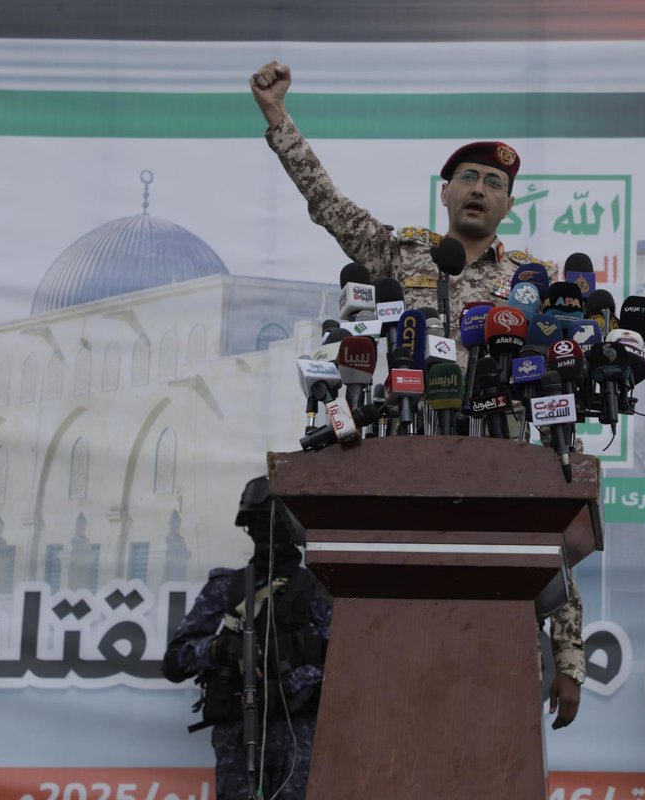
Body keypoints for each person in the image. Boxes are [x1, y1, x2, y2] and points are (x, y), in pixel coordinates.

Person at [248, 60, 586, 727]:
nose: (480, 190)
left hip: (502, 455)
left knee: (530, 534)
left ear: (509, 205)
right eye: (469, 178)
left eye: (495, 184)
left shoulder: (537, 280)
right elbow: (327, 205)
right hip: (406, 453)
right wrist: (277, 117)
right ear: (446, 192)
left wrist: (569, 655)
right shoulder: (404, 254)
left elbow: (555, 503)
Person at [162, 476, 331, 800]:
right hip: (239, 733)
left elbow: (342, 664)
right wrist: (219, 648)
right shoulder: (227, 587)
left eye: (276, 523)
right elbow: (175, 661)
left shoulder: (318, 591)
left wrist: (287, 687)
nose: (267, 532)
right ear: (249, 527)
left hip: (298, 735)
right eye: (259, 521)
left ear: (294, 530)